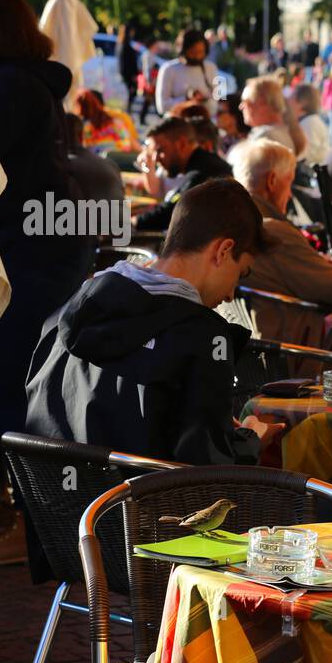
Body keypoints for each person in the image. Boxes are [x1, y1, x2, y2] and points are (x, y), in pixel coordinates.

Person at [0, 0, 94, 566]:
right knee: (21, 382)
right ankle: (25, 510)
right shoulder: (22, 84)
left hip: (31, 253)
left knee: (12, 382)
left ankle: (38, 528)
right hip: (49, 246)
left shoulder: (7, 87)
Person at [26, 178, 280, 481]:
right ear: (223, 251)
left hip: (56, 515)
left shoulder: (67, 311)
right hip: (143, 522)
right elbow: (208, 473)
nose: (229, 295)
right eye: (240, 273)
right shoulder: (202, 338)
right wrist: (251, 439)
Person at [233, 140, 332, 345]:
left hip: (259, 348)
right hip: (305, 354)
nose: (291, 193)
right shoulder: (273, 232)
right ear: (272, 181)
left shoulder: (233, 222)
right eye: (289, 181)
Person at [133, 117, 233, 233]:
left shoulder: (205, 172)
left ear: (181, 144)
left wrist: (133, 222)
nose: (155, 158)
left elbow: (172, 213)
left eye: (160, 150)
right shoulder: (204, 164)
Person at [235, 76, 307, 160]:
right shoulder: (280, 132)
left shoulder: (266, 137)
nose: (240, 107)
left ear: (262, 104)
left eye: (246, 102)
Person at [155, 28, 219, 116]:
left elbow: (220, 99)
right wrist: (187, 98)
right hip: (178, 124)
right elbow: (162, 107)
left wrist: (205, 98)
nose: (197, 56)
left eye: (201, 52)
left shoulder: (211, 68)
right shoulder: (168, 69)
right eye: (193, 52)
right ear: (183, 50)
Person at [74, 87, 139, 155]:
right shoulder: (119, 118)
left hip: (101, 160)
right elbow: (133, 142)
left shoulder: (85, 126)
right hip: (123, 157)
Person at [288, 83, 331, 166]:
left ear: (301, 103)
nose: (288, 101)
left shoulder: (310, 123)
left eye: (292, 97)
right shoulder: (307, 121)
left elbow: (307, 156)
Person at [215, 93, 250, 157]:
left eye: (220, 112)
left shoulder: (252, 140)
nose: (216, 116)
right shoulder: (221, 142)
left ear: (234, 115)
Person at [116, 22, 140, 117]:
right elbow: (129, 63)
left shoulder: (121, 44)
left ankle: (127, 112)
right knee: (130, 95)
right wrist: (134, 74)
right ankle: (127, 113)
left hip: (125, 74)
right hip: (129, 75)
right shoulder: (126, 46)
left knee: (128, 96)